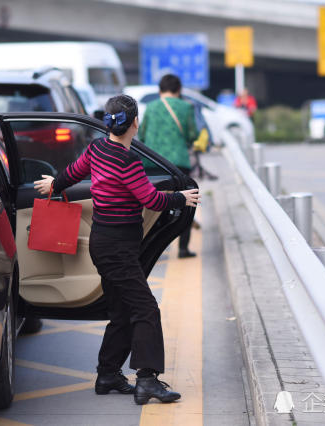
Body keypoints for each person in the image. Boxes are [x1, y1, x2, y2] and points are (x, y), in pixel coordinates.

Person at [33, 94, 200, 405]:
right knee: (145, 309)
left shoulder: (97, 149)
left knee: (123, 310)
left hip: (104, 242)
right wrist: (181, 198)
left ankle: (108, 374)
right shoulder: (127, 161)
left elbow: (73, 172)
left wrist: (55, 184)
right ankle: (147, 380)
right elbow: (152, 199)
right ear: (134, 123)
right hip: (118, 247)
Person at [138, 74, 198, 258]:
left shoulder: (150, 107)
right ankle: (183, 248)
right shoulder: (186, 107)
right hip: (179, 163)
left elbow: (142, 134)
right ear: (179, 90)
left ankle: (149, 246)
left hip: (153, 163)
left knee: (153, 204)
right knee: (186, 201)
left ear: (160, 90)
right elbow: (192, 135)